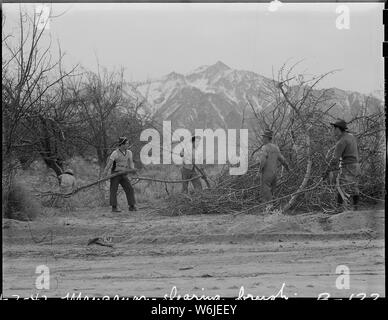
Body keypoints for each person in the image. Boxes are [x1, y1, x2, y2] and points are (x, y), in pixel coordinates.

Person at [323, 119, 361, 212]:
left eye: (333, 128)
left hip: (348, 166)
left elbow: (335, 159)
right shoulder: (351, 137)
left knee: (340, 185)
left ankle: (339, 209)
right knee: (354, 186)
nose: (332, 130)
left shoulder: (341, 142)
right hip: (356, 166)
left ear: (338, 129)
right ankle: (355, 208)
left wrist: (326, 172)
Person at [103, 136, 137, 212]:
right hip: (115, 174)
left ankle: (132, 206)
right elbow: (109, 164)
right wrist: (104, 173)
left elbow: (131, 162)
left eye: (128, 144)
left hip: (123, 173)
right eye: (126, 144)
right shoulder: (115, 153)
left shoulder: (129, 152)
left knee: (129, 188)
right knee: (113, 189)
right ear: (122, 145)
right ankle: (114, 207)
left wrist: (133, 169)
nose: (128, 145)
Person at [256, 129, 290, 204]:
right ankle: (274, 209)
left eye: (263, 137)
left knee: (266, 192)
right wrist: (288, 169)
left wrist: (259, 171)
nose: (262, 139)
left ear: (267, 138)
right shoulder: (276, 148)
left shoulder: (265, 147)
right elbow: (282, 160)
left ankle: (270, 210)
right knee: (272, 193)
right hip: (274, 174)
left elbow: (263, 160)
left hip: (267, 174)